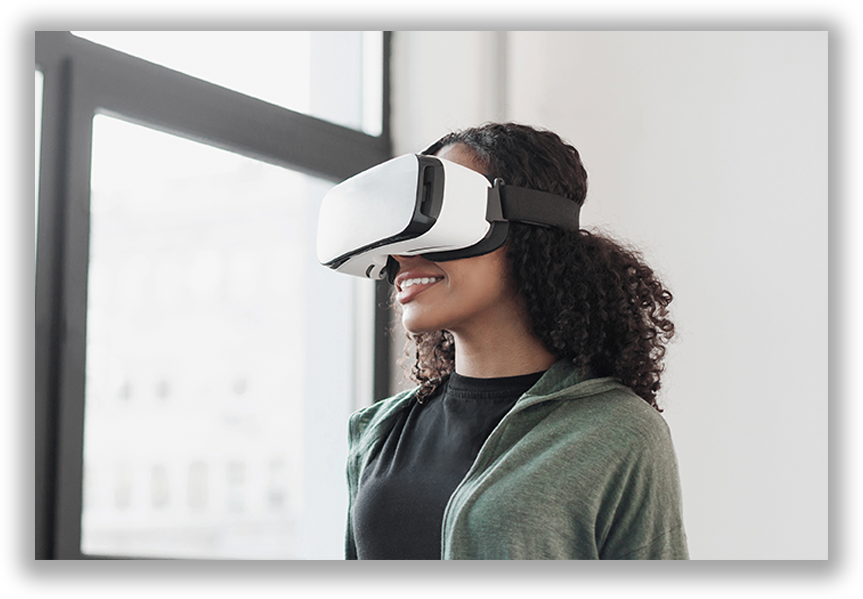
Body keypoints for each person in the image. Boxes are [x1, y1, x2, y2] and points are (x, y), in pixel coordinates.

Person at [345, 123, 688, 560]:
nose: (401, 255)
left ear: (528, 226)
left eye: (439, 219)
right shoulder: (377, 431)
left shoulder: (618, 433)